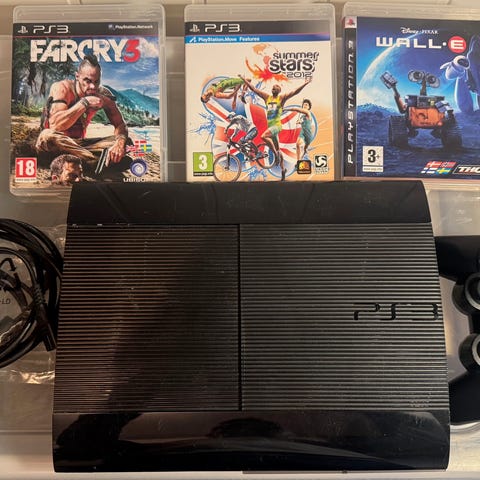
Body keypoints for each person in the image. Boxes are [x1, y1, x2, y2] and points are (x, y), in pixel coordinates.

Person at [36, 54, 129, 169]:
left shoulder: (104, 95)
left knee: (126, 142)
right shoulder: (62, 88)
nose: (92, 86)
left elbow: (120, 124)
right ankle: (93, 161)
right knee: (46, 136)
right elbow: (55, 126)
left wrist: (120, 143)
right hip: (56, 144)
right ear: (77, 76)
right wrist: (84, 103)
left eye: (96, 81)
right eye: (87, 81)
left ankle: (87, 159)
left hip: (80, 146)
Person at [239, 75, 311, 180]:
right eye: (273, 87)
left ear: (279, 91)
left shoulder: (281, 98)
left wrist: (305, 83)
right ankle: (283, 169)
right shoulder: (267, 97)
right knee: (278, 150)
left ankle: (276, 155)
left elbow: (295, 92)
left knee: (264, 136)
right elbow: (254, 89)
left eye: (276, 87)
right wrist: (244, 80)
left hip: (276, 126)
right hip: (271, 127)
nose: (274, 87)